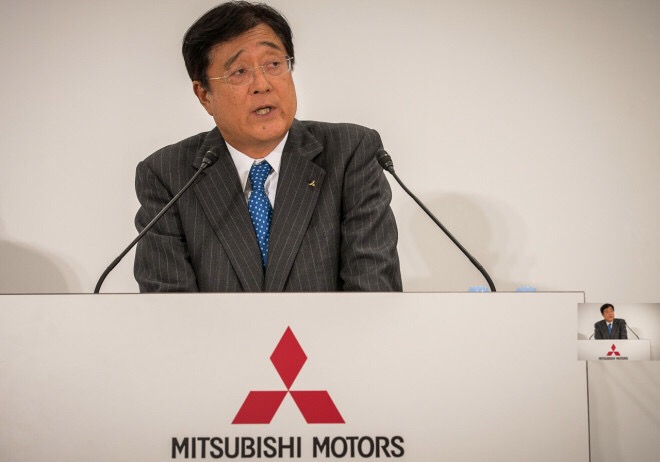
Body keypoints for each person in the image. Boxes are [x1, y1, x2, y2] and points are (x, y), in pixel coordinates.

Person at [133, 1, 402, 292]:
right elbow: (170, 309)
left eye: (274, 64)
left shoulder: (350, 153)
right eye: (239, 71)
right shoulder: (168, 177)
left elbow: (373, 294)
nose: (262, 84)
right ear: (204, 95)